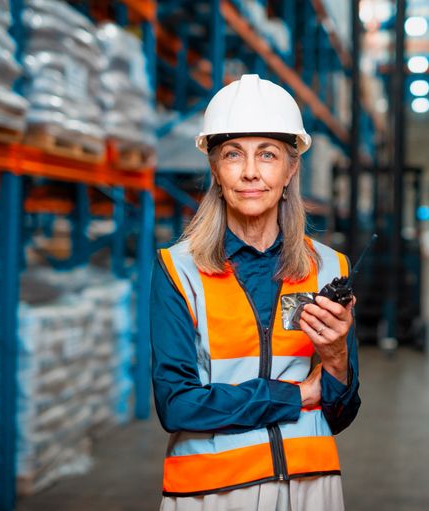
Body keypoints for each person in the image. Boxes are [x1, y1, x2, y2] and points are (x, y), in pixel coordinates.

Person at [150, 74, 361, 511]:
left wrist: (337, 357)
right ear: (215, 168)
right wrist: (297, 395)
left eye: (267, 155)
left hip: (311, 489)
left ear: (291, 168)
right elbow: (177, 406)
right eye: (233, 155)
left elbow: (339, 414)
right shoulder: (179, 268)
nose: (250, 172)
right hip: (212, 494)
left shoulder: (329, 268)